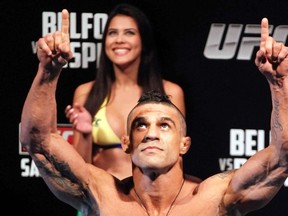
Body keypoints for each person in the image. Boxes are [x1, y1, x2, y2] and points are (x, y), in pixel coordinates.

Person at [20, 7, 288, 215]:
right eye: (140, 125)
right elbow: (38, 141)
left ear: (185, 144)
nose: (151, 133)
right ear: (126, 143)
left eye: (164, 125)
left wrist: (278, 84)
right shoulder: (101, 196)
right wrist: (48, 71)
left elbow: (282, 155)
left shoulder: (215, 199)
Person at [65, 3, 185, 182]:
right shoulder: (85, 92)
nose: (119, 39)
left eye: (129, 32)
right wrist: (84, 133)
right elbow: (78, 169)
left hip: (148, 202)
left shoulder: (170, 92)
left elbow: (176, 160)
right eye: (112, 33)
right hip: (98, 200)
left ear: (143, 42)